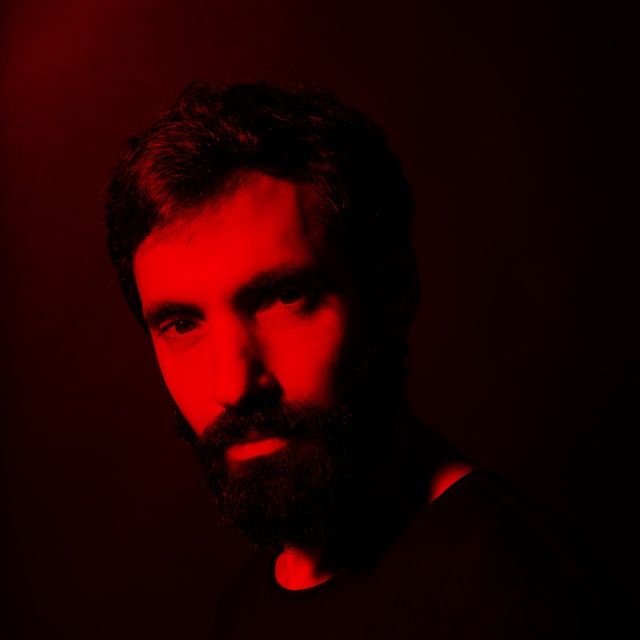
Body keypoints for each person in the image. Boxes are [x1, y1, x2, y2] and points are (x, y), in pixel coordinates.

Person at [105, 82, 631, 638]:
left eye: (285, 297)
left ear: (393, 291)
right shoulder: (247, 605)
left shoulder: (520, 602)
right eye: (181, 325)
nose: (234, 385)